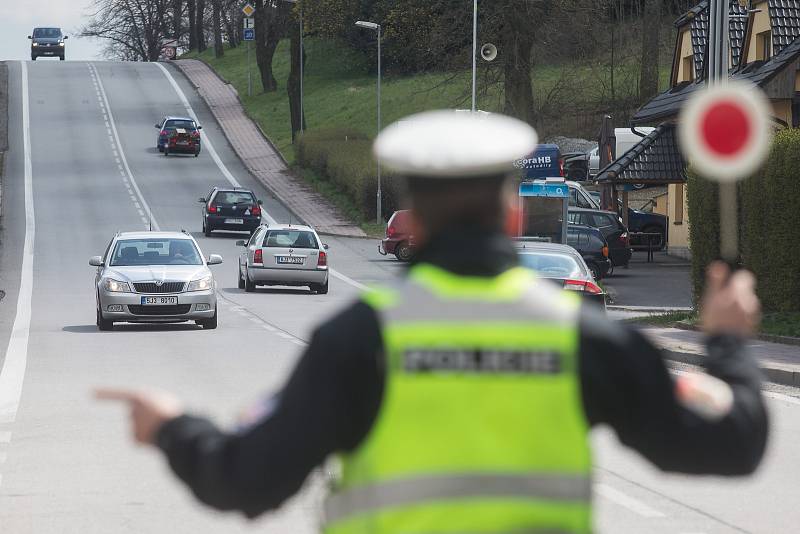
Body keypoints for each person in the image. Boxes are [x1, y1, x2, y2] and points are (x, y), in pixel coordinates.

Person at [97, 110, 768, 533]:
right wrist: (730, 343)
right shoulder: (582, 336)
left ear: (410, 220)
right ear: (511, 216)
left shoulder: (359, 340)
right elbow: (733, 443)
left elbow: (245, 480)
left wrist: (170, 427)